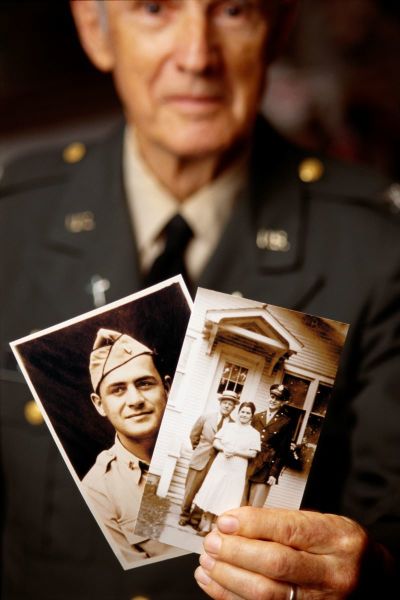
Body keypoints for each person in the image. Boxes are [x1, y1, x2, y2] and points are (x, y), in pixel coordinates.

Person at [0, 0, 399, 598]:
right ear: (95, 29)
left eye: (234, 11)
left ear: (278, 30)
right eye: (155, 9)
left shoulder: (376, 245)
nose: (196, 57)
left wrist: (373, 577)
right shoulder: (14, 220)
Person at [82, 328, 172, 565]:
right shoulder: (98, 491)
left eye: (144, 384)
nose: (135, 400)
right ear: (99, 404)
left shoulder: (205, 447)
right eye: (118, 390)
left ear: (167, 388)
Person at [194, 402, 260, 535]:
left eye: (248, 413)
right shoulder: (228, 426)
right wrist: (224, 448)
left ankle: (217, 529)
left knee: (228, 496)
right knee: (214, 490)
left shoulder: (254, 433)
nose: (244, 415)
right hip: (222, 462)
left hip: (238, 466)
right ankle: (206, 526)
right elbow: (216, 441)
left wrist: (235, 451)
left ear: (251, 416)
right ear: (239, 412)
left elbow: (253, 453)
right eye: (243, 411)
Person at [179, 389, 239, 530]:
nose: (226, 406)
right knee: (190, 490)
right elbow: (194, 435)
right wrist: (198, 450)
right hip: (200, 458)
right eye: (225, 403)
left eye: (230, 404)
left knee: (207, 490)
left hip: (218, 463)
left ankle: (195, 518)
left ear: (233, 407)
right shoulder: (206, 417)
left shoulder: (233, 425)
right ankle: (184, 515)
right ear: (220, 403)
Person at [247, 383, 297, 508]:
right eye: (272, 396)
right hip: (248, 463)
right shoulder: (257, 417)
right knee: (241, 502)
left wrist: (274, 473)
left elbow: (283, 450)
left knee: (255, 506)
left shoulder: (286, 422)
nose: (273, 400)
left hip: (266, 468)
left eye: (278, 398)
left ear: (283, 402)